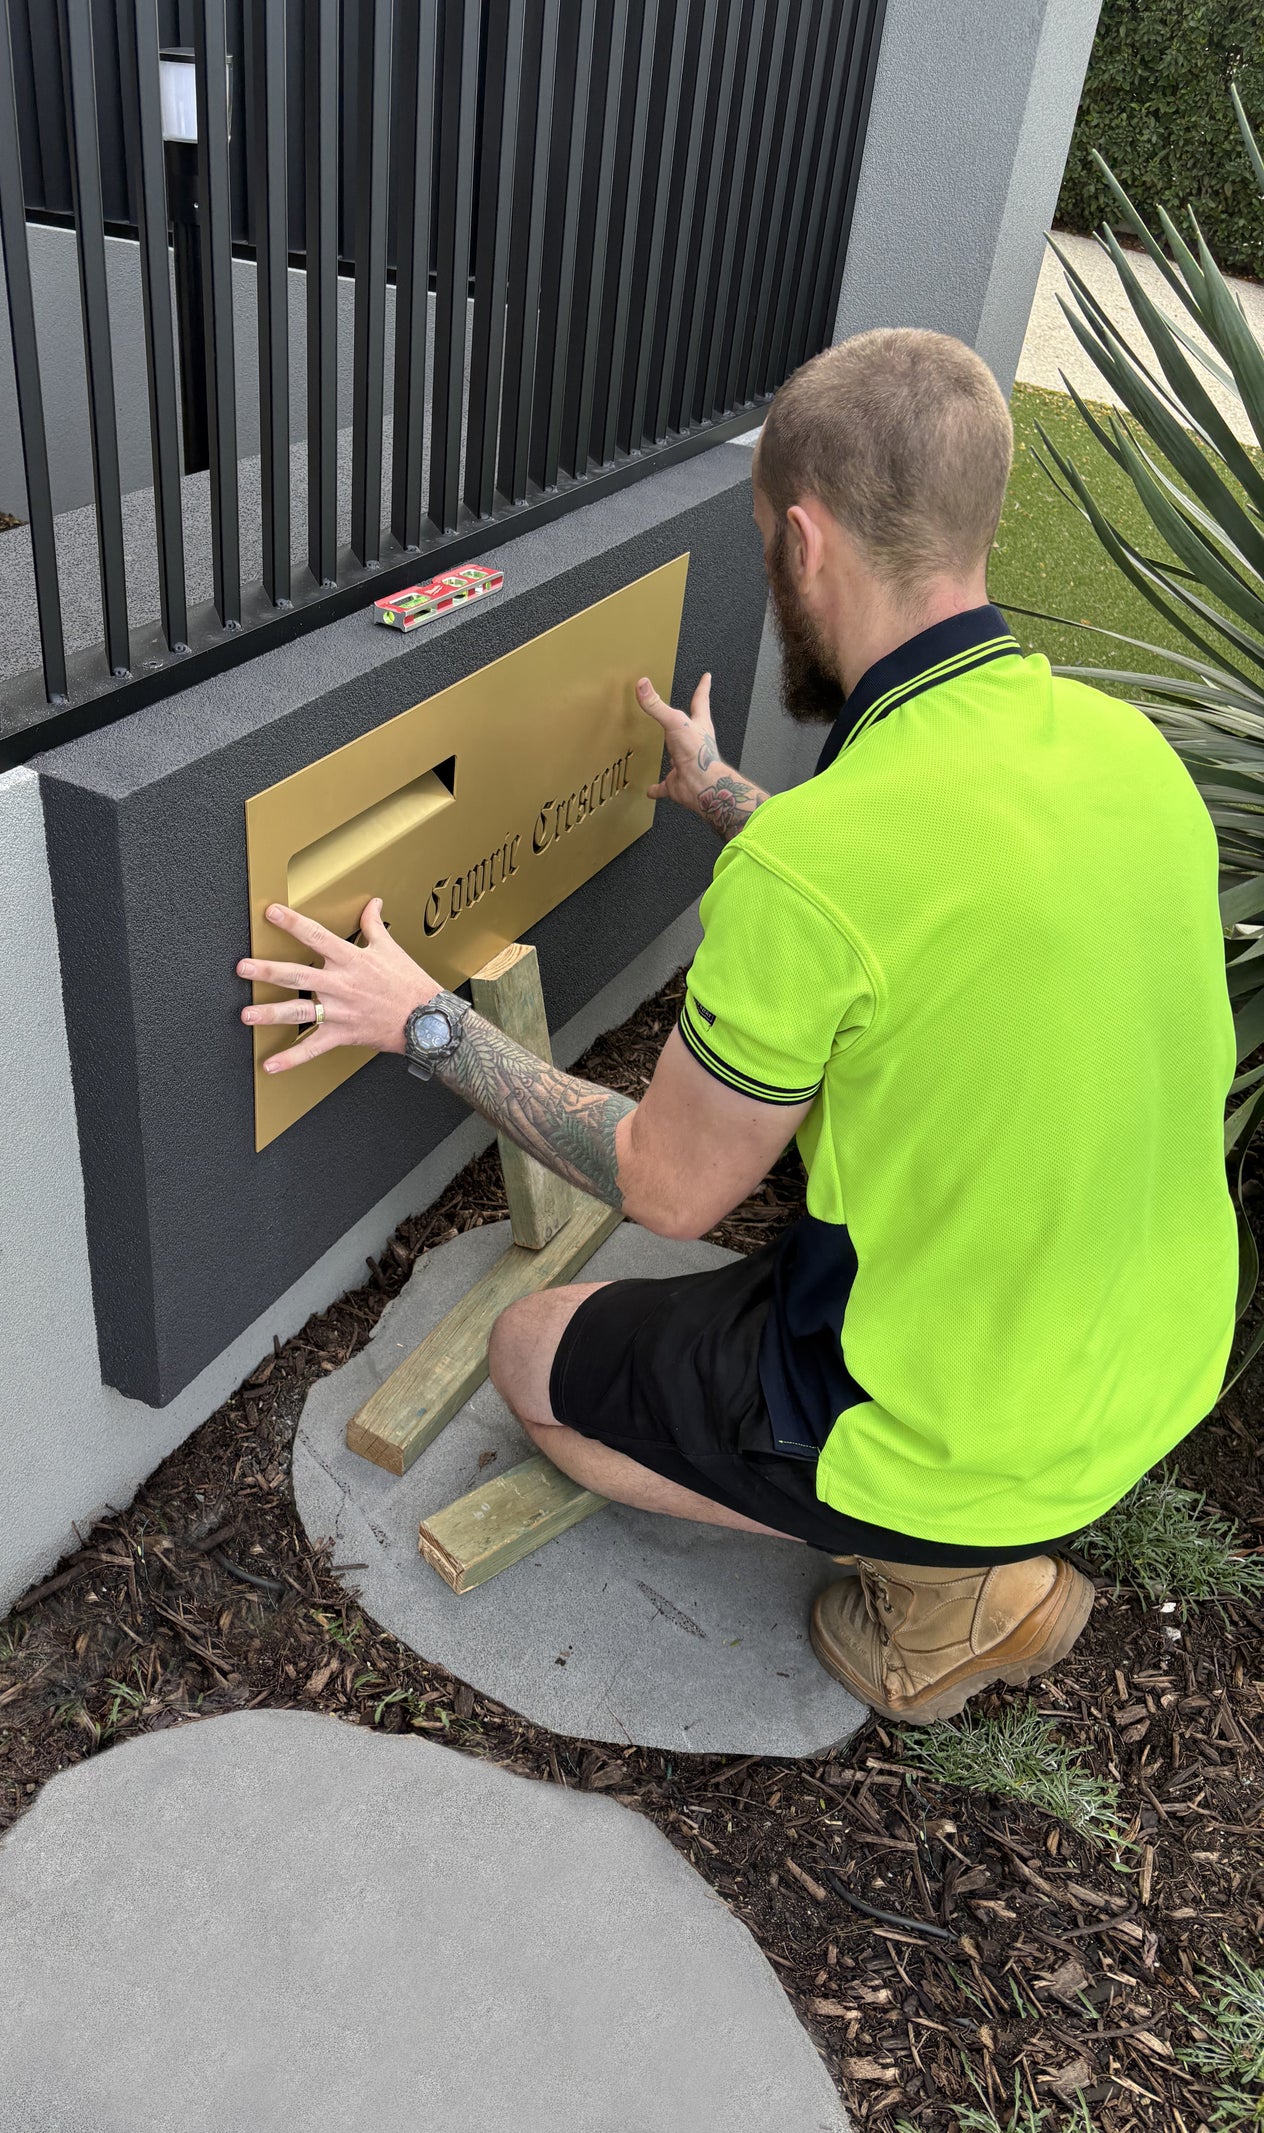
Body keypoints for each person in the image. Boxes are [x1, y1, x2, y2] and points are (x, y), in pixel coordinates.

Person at [235, 327, 1236, 1723]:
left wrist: (423, 1023)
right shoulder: (1126, 753)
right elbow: (934, 905)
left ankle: (943, 1582)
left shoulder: (819, 865)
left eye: (768, 546)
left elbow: (668, 1184)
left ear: (803, 542)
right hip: (1157, 1360)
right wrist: (727, 798)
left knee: (531, 1359)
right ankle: (969, 1529)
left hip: (959, 1428)